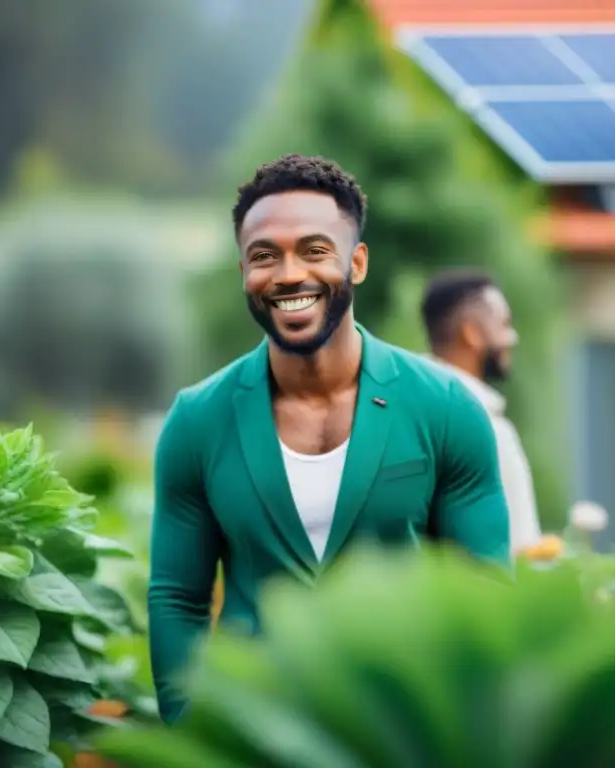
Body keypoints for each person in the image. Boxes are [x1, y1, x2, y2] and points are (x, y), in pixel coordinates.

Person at [148, 154, 510, 723]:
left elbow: (485, 592)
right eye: (263, 256)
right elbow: (178, 598)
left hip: (402, 734)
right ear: (244, 270)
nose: (289, 274)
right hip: (257, 734)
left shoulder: (445, 408)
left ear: (356, 262)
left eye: (314, 251)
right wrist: (190, 732)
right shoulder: (197, 420)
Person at [420, 269, 542, 554]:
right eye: (504, 324)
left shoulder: (401, 408)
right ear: (471, 333)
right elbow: (521, 546)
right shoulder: (487, 427)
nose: (512, 337)